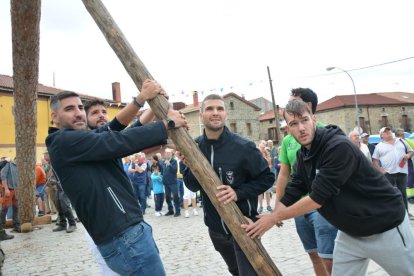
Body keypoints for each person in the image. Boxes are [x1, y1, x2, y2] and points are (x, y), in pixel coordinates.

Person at [242, 100, 414, 276]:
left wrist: (275, 217)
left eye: (304, 120)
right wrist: (274, 214)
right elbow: (294, 188)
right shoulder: (303, 155)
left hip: (385, 226)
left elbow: (317, 199)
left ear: (314, 120)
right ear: (288, 130)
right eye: (294, 123)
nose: (301, 128)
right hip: (350, 232)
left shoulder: (338, 147)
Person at [45, 81, 187, 275]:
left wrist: (144, 101)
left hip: (128, 234)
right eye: (69, 109)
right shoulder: (63, 141)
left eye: (80, 107)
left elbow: (117, 128)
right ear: (54, 117)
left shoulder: (81, 140)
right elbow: (119, 140)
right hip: (123, 236)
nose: (78, 113)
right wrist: (167, 124)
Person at [183, 94, 274, 276]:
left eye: (219, 109)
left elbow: (267, 178)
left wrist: (238, 193)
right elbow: (192, 186)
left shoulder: (244, 146)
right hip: (216, 230)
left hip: (244, 227)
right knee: (235, 271)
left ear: (226, 114)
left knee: (251, 273)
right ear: (201, 115)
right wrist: (191, 167)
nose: (215, 113)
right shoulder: (194, 146)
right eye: (209, 109)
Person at [274, 88, 337, 275]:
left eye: (293, 102)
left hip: (322, 205)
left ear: (308, 107)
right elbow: (284, 174)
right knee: (314, 255)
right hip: (298, 205)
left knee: (329, 256)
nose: (289, 106)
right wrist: (278, 205)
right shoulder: (288, 140)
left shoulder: (325, 133)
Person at [373, 127, 414, 220]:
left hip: (402, 172)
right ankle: (392, 214)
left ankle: (406, 214)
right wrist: (381, 170)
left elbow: (411, 151)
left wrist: (408, 155)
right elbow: (374, 160)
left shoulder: (401, 141)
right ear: (382, 136)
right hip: (388, 173)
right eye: (385, 132)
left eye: (389, 131)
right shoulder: (379, 146)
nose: (388, 133)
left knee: (403, 193)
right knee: (389, 193)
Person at [0, 158, 20, 233]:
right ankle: (1, 226)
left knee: (16, 208)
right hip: (8, 189)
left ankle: (16, 225)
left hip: (16, 189)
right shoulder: (9, 164)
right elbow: (3, 176)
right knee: (5, 208)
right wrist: (6, 188)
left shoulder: (19, 166)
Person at [163, 148, 180, 217]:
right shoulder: (163, 161)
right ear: (165, 154)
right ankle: (170, 210)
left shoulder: (174, 161)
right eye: (166, 153)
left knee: (175, 197)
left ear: (171, 154)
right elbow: (163, 171)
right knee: (167, 197)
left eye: (169, 153)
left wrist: (169, 164)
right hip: (166, 183)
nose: (168, 154)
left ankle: (178, 211)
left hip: (173, 182)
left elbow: (174, 171)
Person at [257, 140, 272, 213]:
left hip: (266, 173)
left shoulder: (266, 152)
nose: (264, 145)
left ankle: (268, 205)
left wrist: (267, 159)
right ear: (259, 144)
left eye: (265, 144)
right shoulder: (256, 151)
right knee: (260, 191)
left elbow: (269, 161)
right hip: (259, 174)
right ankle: (260, 206)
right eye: (263, 143)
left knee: (268, 191)